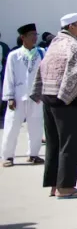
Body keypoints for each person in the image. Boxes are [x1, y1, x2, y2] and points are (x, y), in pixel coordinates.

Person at [33, 13, 77, 198]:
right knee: (70, 143)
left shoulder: (55, 43)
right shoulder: (73, 44)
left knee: (53, 142)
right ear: (72, 27)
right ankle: (66, 187)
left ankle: (54, 184)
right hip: (67, 100)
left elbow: (42, 67)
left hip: (49, 97)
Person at [2, 23, 44, 166]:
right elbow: (9, 77)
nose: (34, 37)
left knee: (36, 126)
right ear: (23, 37)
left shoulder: (41, 53)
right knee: (12, 126)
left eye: (35, 34)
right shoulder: (14, 55)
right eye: (31, 35)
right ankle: (7, 156)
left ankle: (33, 154)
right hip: (18, 96)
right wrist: (9, 97)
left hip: (36, 96)